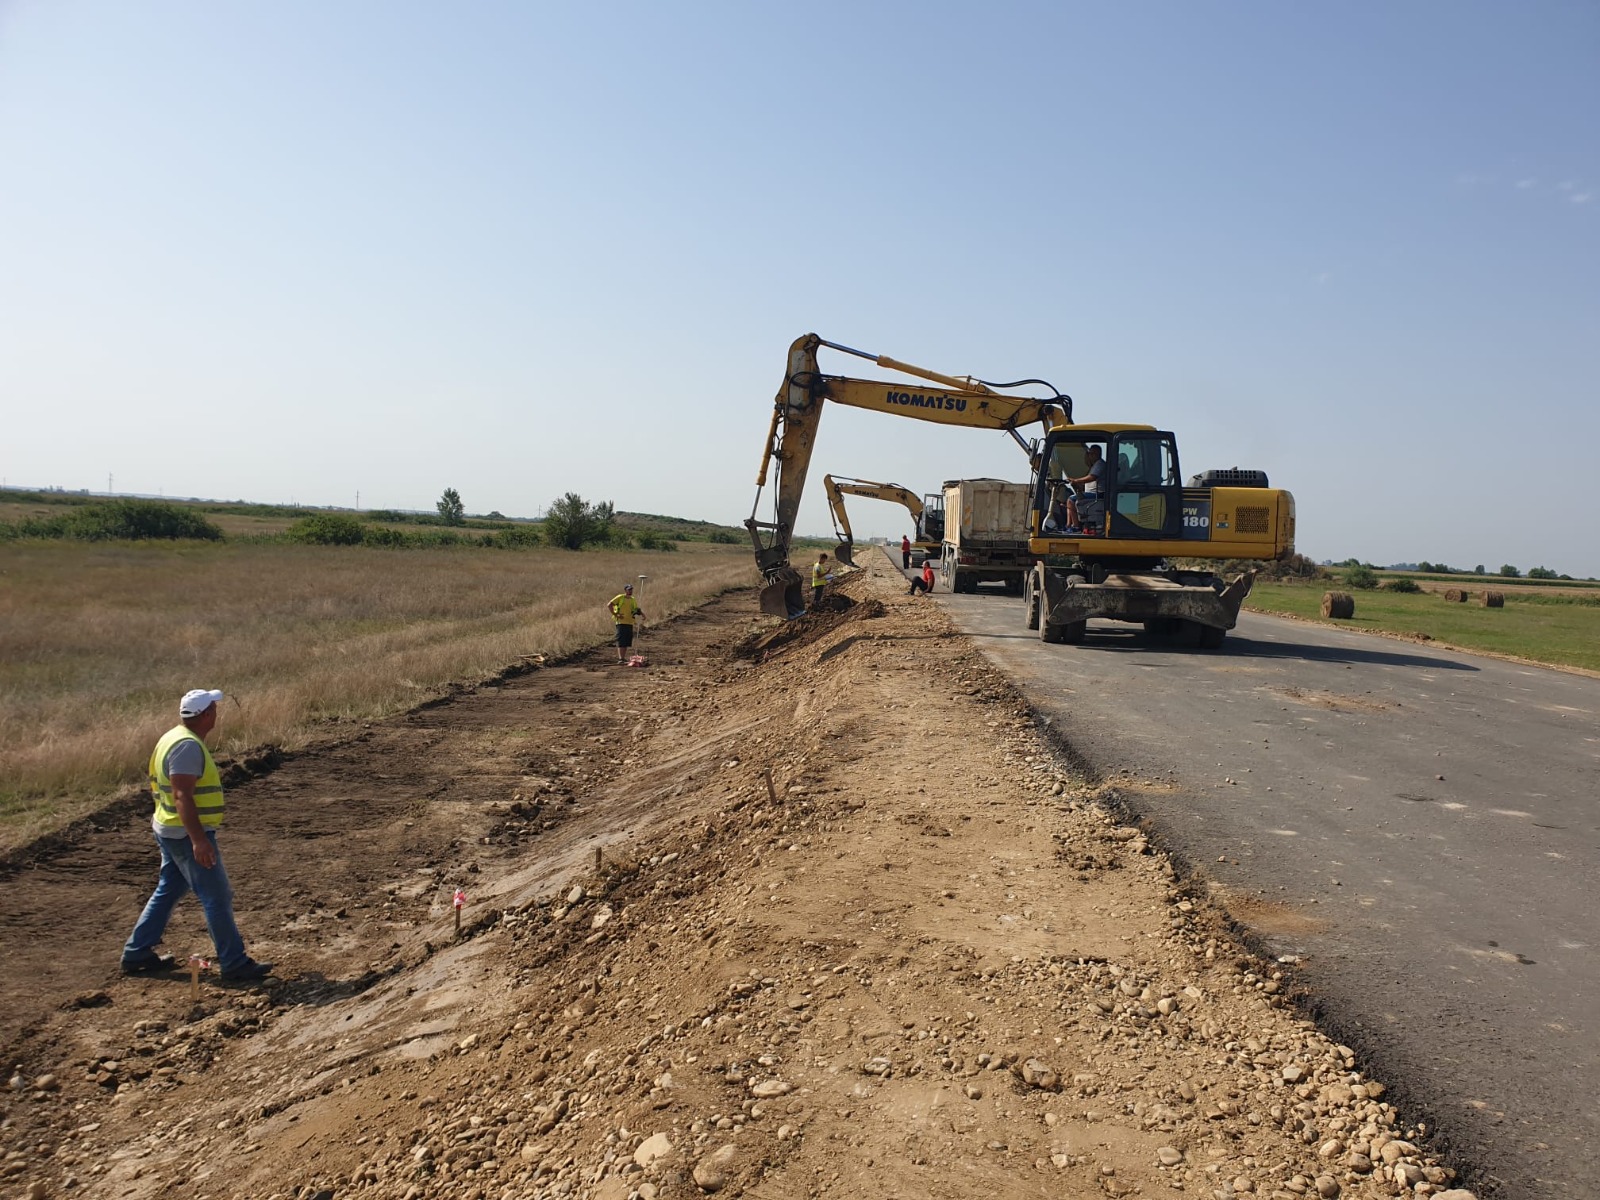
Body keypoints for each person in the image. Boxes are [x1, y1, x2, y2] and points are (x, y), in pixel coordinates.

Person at [122, 689, 272, 982]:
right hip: (184, 833)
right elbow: (182, 796)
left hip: (169, 828)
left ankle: (137, 952)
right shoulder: (187, 747)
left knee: (169, 889)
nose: (217, 712)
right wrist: (198, 840)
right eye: (214, 708)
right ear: (205, 715)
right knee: (216, 896)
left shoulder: (173, 737)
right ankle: (234, 963)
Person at [1064, 445, 1107, 532]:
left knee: (1071, 500)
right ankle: (1068, 525)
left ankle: (1076, 527)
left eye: (1090, 454)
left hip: (1097, 494)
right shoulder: (1094, 466)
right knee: (1069, 501)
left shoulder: (1100, 464)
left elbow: (1092, 477)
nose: (1089, 456)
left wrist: (1076, 480)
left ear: (1096, 454)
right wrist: (1076, 485)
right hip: (1091, 494)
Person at [609, 583, 645, 664]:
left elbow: (636, 609)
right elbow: (609, 605)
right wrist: (616, 614)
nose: (630, 591)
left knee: (626, 641)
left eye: (631, 589)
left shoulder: (632, 599)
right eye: (629, 589)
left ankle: (623, 658)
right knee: (621, 641)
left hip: (629, 622)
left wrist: (642, 614)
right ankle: (621, 659)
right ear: (625, 590)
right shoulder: (620, 597)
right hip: (621, 622)